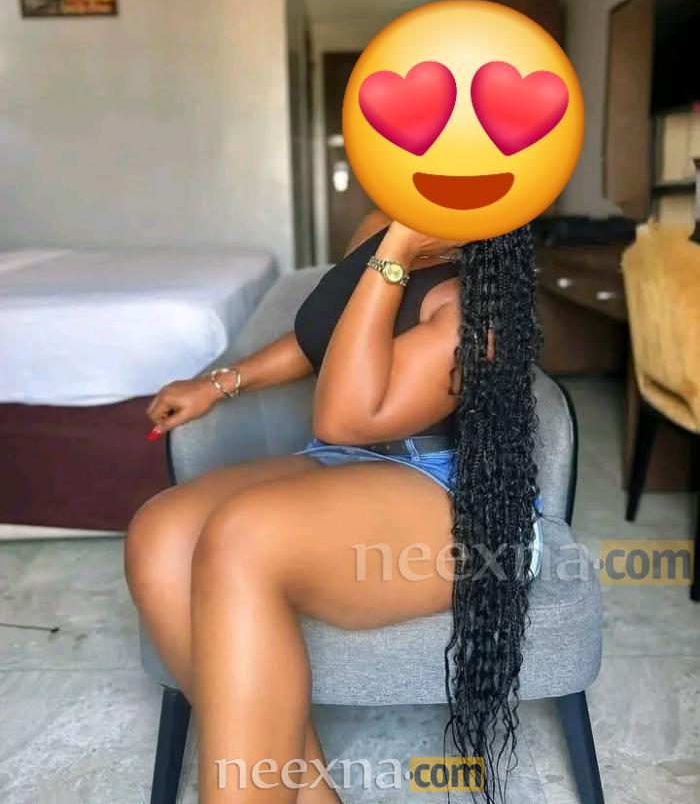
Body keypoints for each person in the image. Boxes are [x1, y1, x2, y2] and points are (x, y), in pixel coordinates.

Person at [125, 208, 544, 804]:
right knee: (162, 531)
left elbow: (345, 417)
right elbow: (327, 336)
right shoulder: (380, 223)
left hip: (462, 498)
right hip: (347, 462)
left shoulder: (474, 299)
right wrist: (221, 382)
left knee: (246, 536)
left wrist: (398, 249)